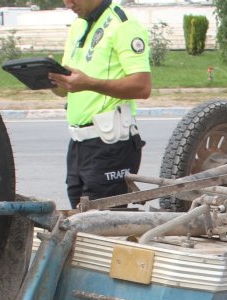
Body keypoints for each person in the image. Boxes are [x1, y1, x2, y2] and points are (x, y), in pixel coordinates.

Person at [48, 0, 151, 208]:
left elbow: (142, 87)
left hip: (110, 145)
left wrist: (89, 84)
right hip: (79, 144)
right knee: (80, 222)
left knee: (101, 224)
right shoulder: (78, 25)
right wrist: (50, 80)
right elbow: (68, 86)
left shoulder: (123, 24)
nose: (67, 4)